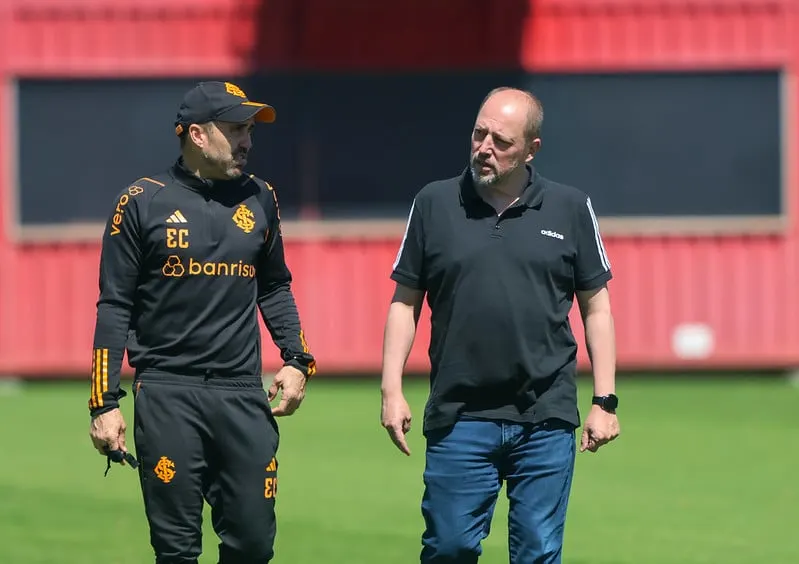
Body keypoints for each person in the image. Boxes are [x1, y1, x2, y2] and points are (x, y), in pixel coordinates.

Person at [380, 86, 620, 564]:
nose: (484, 147)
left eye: (501, 140)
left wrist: (604, 401)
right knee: (449, 549)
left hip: (545, 418)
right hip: (459, 416)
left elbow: (597, 306)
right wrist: (391, 388)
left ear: (532, 148)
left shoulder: (570, 207)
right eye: (478, 133)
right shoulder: (434, 203)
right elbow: (404, 302)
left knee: (537, 553)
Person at [87, 80, 317, 564]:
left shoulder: (261, 197)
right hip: (168, 395)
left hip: (241, 395)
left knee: (254, 545)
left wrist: (298, 359)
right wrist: (103, 403)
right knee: (176, 551)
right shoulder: (140, 202)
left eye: (250, 130)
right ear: (196, 134)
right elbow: (114, 306)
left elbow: (274, 286)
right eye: (235, 129)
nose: (247, 141)